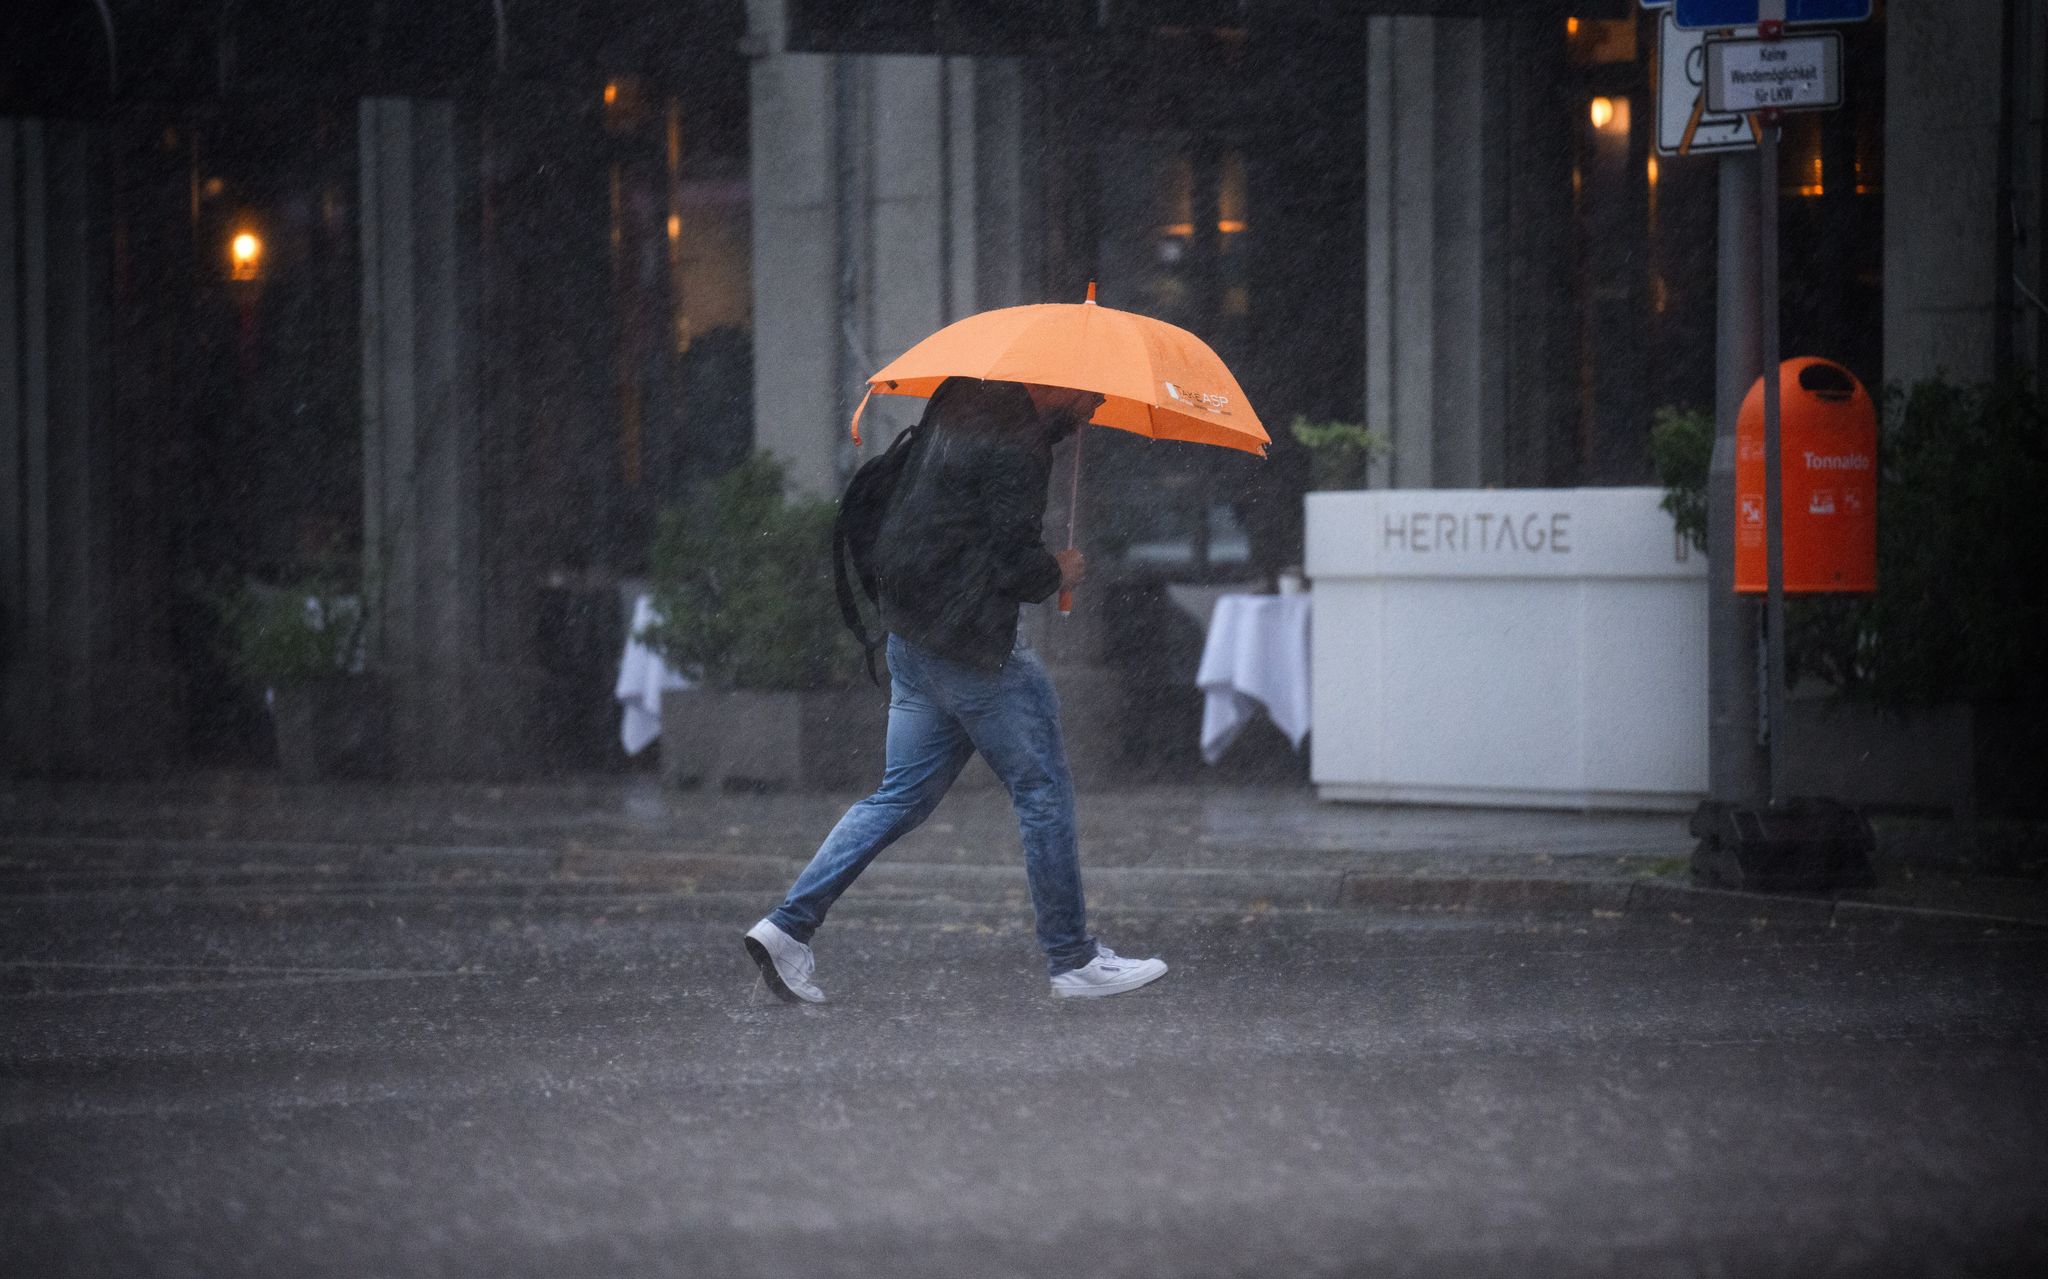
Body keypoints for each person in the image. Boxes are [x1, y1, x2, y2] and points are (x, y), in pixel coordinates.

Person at [743, 377, 1169, 1003]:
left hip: (913, 639)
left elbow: (946, 522)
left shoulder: (959, 400)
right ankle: (1073, 959)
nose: (1097, 410)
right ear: (1061, 387)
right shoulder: (1021, 445)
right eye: (1093, 397)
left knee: (897, 798)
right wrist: (1060, 570)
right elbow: (1012, 564)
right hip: (974, 651)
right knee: (1042, 789)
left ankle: (787, 927)